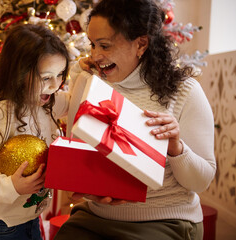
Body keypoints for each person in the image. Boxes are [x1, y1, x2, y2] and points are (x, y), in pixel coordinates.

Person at [55, 0, 216, 239]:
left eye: (105, 46)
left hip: (164, 220)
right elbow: (79, 159)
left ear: (141, 44)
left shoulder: (184, 91)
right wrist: (90, 190)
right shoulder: (89, 82)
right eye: (93, 44)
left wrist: (176, 148)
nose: (95, 55)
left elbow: (201, 181)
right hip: (93, 218)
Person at [0, 23, 70, 240]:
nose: (55, 85)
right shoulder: (1, 112)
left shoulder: (46, 102)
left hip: (31, 217)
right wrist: (11, 186)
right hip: (1, 225)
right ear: (19, 74)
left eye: (60, 74)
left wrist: (83, 70)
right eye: (46, 77)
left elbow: (73, 99)